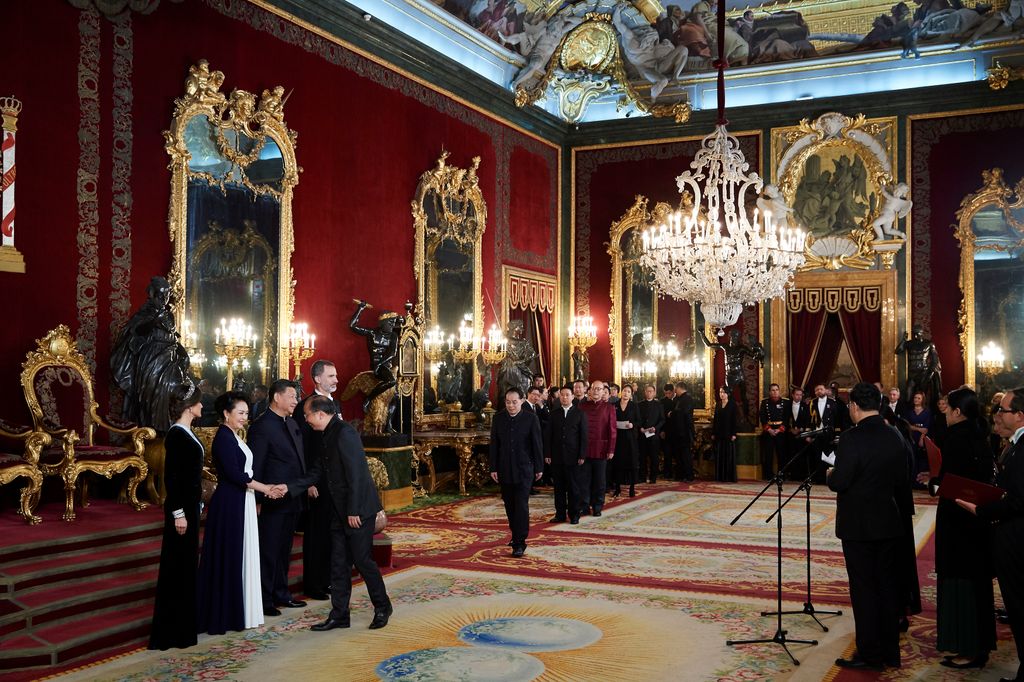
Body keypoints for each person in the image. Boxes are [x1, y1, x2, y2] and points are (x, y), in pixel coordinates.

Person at [827, 382, 909, 672]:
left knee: (863, 590)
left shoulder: (852, 438)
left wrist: (830, 473)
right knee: (887, 588)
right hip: (888, 519)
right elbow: (904, 475)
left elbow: (840, 481)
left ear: (854, 406)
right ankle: (889, 652)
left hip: (859, 526)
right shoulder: (894, 434)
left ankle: (870, 654)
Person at [197, 392, 284, 635]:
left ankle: (242, 611)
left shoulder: (234, 435)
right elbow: (236, 476)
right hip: (229, 502)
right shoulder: (223, 437)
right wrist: (265, 488)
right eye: (241, 413)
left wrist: (262, 488)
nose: (245, 417)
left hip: (241, 500)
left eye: (247, 413)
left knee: (242, 553)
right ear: (226, 413)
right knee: (230, 555)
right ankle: (226, 614)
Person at [302, 396, 393, 631]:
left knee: (363, 561)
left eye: (307, 415)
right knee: (338, 563)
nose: (306, 419)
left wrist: (354, 510)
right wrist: (290, 487)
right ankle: (340, 615)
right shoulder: (327, 433)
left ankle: (383, 606)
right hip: (338, 510)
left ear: (320, 414)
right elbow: (319, 471)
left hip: (358, 510)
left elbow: (357, 474)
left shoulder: (344, 433)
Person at [925, 388, 996, 670]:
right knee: (973, 582)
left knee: (961, 583)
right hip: (975, 521)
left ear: (957, 412)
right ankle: (975, 643)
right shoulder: (979, 434)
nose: (944, 411)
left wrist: (935, 483)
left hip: (959, 521)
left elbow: (954, 481)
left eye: (948, 407)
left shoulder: (957, 438)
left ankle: (969, 647)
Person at [957, 386, 1024, 682]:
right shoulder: (1014, 444)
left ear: (1020, 416)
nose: (997, 415)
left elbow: (1017, 500)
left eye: (1003, 410)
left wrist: (981, 510)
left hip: (1018, 542)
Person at [247, 379, 314, 617]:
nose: (296, 401)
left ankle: (282, 593)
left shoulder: (293, 423)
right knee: (268, 550)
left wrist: (305, 486)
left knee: (284, 549)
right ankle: (264, 599)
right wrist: (257, 499)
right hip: (271, 500)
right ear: (277, 397)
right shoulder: (262, 426)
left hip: (293, 498)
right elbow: (256, 465)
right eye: (292, 396)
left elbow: (300, 461)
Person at [149, 388, 204, 650]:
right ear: (189, 406)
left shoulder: (187, 432)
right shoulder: (177, 434)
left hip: (190, 508)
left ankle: (183, 628)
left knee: (185, 568)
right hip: (181, 512)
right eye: (198, 402)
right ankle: (171, 632)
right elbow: (173, 478)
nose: (202, 406)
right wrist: (179, 513)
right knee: (177, 568)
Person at [110, 275, 194, 433]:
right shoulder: (145, 313)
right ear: (153, 294)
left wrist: (183, 353)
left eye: (167, 295)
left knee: (172, 394)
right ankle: (150, 430)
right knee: (151, 395)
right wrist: (153, 322)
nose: (164, 298)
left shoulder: (168, 315)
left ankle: (167, 429)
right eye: (161, 295)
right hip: (152, 359)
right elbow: (136, 331)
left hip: (170, 357)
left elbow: (174, 338)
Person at [297, 359, 341, 601]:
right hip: (316, 482)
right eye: (331, 376)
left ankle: (329, 580)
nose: (336, 380)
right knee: (317, 535)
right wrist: (308, 482)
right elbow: (302, 448)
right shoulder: (305, 407)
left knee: (333, 533)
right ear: (317, 379)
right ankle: (314, 584)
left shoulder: (337, 404)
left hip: (335, 480)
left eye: (336, 376)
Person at [488, 387, 544, 557]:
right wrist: (493, 467)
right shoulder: (498, 418)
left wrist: (539, 467)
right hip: (504, 469)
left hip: (524, 469)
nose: (511, 405)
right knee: (509, 505)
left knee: (521, 505)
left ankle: (520, 542)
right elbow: (494, 445)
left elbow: (537, 444)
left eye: (514, 402)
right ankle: (515, 534)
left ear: (521, 401)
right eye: (507, 402)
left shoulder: (530, 418)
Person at [546, 385, 588, 524]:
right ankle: (560, 514)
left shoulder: (579, 413)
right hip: (557, 457)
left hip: (574, 457)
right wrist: (548, 453)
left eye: (567, 395)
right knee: (558, 488)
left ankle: (574, 514)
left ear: (572, 397)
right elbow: (548, 436)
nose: (564, 397)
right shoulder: (554, 413)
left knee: (573, 488)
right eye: (562, 395)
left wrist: (582, 455)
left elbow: (583, 436)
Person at [578, 381, 617, 517]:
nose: (595, 391)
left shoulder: (609, 407)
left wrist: (611, 450)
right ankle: (584, 505)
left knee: (599, 481)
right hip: (584, 450)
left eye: (599, 389)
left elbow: (612, 431)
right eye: (594, 389)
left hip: (601, 449)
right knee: (584, 480)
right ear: (589, 391)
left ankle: (597, 506)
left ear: (603, 392)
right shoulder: (582, 406)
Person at [612, 384, 640, 498]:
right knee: (618, 463)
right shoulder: (614, 405)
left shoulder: (634, 406)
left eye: (628, 391)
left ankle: (632, 487)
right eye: (624, 391)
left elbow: (639, 421)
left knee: (631, 462)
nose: (626, 393)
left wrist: (632, 424)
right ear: (621, 392)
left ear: (631, 394)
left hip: (630, 438)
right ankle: (617, 487)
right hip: (618, 438)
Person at [638, 384, 665, 483]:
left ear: (654, 393)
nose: (649, 393)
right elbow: (637, 419)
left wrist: (656, 428)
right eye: (647, 391)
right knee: (642, 457)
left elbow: (662, 420)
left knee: (654, 457)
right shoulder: (639, 404)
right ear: (645, 392)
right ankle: (642, 477)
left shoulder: (659, 405)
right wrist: (640, 428)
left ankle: (653, 477)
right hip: (642, 435)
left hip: (654, 435)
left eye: (651, 391)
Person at [669, 381, 696, 481]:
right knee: (679, 455)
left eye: (676, 388)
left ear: (680, 388)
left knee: (685, 455)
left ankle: (688, 476)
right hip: (678, 432)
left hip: (684, 432)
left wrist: (672, 414)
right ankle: (680, 475)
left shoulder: (687, 399)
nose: (675, 390)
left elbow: (683, 413)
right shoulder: (679, 399)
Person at [759, 383, 787, 479]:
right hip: (769, 431)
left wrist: (779, 430)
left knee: (781, 454)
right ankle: (768, 475)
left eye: (776, 390)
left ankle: (781, 474)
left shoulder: (785, 402)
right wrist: (769, 429)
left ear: (779, 391)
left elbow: (787, 418)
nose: (775, 392)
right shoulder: (764, 402)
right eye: (773, 390)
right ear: (770, 392)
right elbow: (762, 418)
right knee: (768, 455)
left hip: (781, 432)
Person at [712, 386, 739, 482]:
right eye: (720, 392)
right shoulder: (718, 405)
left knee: (728, 456)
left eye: (723, 392)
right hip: (719, 434)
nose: (721, 394)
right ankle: (720, 477)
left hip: (729, 434)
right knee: (719, 455)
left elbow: (735, 420)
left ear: (728, 393)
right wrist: (714, 433)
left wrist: (734, 434)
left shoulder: (732, 405)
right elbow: (715, 420)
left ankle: (728, 477)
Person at [785, 386, 811, 479]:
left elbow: (808, 420)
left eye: (800, 395)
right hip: (790, 435)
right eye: (797, 394)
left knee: (801, 455)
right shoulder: (787, 405)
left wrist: (802, 429)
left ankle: (801, 476)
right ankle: (791, 475)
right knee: (790, 454)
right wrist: (790, 429)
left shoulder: (806, 406)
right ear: (792, 395)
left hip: (801, 435)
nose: (799, 397)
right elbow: (784, 419)